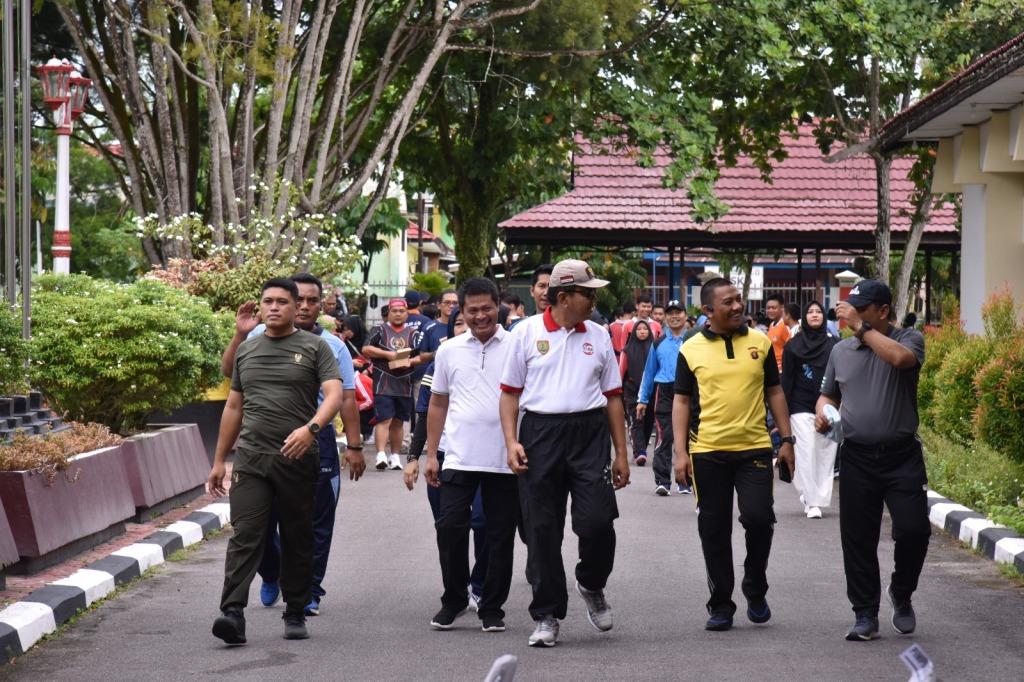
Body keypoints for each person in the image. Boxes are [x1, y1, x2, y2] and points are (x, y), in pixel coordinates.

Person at [499, 258, 631, 648]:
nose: (593, 300)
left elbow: (612, 397)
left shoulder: (599, 334)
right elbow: (509, 394)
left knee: (597, 522)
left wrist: (620, 452)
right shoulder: (525, 333)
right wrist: (511, 442)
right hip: (540, 433)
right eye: (587, 293)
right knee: (542, 529)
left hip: (589, 434)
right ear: (562, 296)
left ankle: (591, 583)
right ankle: (546, 614)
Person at [207, 277, 345, 644]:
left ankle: (296, 610)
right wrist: (220, 460)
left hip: (297, 459)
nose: (273, 307)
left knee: (299, 536)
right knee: (245, 535)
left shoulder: (315, 347)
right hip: (251, 459)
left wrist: (311, 429)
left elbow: (334, 395)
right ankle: (232, 614)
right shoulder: (248, 351)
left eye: (282, 301)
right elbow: (233, 405)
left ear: (296, 305)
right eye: (268, 301)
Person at [671, 278, 795, 632]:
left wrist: (786, 440)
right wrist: (680, 453)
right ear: (708, 310)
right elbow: (680, 401)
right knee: (713, 528)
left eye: (739, 299)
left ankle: (755, 586)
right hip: (707, 451)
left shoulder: (760, 342)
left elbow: (775, 391)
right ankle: (721, 603)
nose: (738, 306)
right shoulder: (690, 350)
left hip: (754, 447)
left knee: (758, 518)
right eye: (728, 302)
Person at [815, 279, 929, 642]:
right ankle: (864, 613)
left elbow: (898, 359)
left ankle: (902, 591)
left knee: (914, 531)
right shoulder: (841, 352)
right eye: (850, 309)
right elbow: (827, 396)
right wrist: (823, 413)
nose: (851, 317)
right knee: (858, 538)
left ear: (882, 312)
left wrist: (859, 328)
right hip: (858, 456)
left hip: (901, 456)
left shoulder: (908, 339)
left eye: (860, 311)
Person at [418, 278, 519, 633]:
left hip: (504, 459)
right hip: (458, 456)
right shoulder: (449, 350)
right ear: (461, 311)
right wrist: (432, 455)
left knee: (499, 534)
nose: (480, 316)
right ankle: (454, 598)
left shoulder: (517, 345)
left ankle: (493, 607)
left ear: (498, 308)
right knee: (450, 527)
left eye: (486, 308)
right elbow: (438, 402)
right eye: (472, 310)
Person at [405, 307, 490, 613]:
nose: (461, 329)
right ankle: (456, 587)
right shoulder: (442, 360)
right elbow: (425, 413)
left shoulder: (496, 356)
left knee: (483, 521)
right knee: (449, 527)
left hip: (484, 457)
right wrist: (416, 457)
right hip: (443, 456)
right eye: (456, 324)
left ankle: (480, 585)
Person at [781, 301, 839, 519]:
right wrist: (782, 413)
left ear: (824, 317)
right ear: (804, 317)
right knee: (805, 451)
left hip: (828, 406)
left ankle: (814, 496)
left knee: (825, 451)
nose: (814, 315)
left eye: (818, 312)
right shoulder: (793, 346)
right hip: (800, 405)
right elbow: (786, 380)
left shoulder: (835, 345)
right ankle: (812, 500)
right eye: (810, 312)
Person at [637, 300, 691, 494]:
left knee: (687, 438)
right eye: (670, 313)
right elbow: (649, 372)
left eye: (678, 312)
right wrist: (643, 400)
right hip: (665, 392)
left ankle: (685, 481)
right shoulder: (658, 342)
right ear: (665, 318)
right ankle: (662, 481)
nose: (674, 316)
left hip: (688, 392)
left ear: (685, 315)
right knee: (664, 435)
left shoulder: (693, 340)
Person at [363, 298, 421, 471]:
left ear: (406, 313)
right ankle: (381, 454)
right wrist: (388, 355)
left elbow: (421, 355)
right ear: (388, 312)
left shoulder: (413, 333)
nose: (398, 314)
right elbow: (366, 349)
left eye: (401, 311)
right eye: (394, 311)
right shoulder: (379, 330)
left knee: (399, 421)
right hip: (383, 382)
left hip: (405, 383)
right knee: (384, 419)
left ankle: (395, 456)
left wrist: (410, 362)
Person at [619, 320, 654, 467]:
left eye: (645, 329)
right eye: (638, 329)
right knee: (636, 420)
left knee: (649, 421)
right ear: (633, 332)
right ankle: (640, 452)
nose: (642, 331)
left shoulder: (655, 347)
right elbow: (621, 371)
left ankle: (641, 449)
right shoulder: (627, 350)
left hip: (651, 390)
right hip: (632, 389)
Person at [765, 294, 790, 372]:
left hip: (782, 370)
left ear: (782, 308)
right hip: (773, 368)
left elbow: (791, 349)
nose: (770, 310)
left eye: (774, 308)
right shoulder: (771, 325)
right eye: (768, 308)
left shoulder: (785, 326)